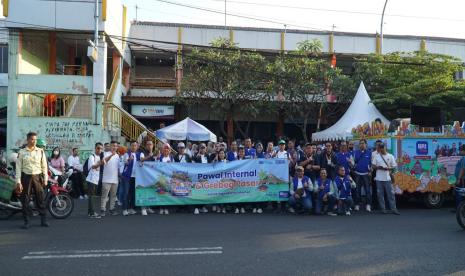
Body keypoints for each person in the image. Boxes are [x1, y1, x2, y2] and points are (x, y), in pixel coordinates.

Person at [15, 132, 49, 229]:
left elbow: (44, 166)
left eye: (35, 139)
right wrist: (18, 181)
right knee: (25, 199)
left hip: (37, 177)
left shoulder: (40, 151)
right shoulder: (22, 152)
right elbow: (18, 168)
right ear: (28, 140)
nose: (34, 141)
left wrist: (45, 179)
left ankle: (43, 220)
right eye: (32, 139)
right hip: (26, 177)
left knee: (40, 199)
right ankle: (26, 221)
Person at [371, 142, 400, 215]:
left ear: (385, 147)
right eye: (380, 148)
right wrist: (378, 167)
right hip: (378, 179)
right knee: (380, 194)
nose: (381, 149)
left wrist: (388, 168)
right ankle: (383, 209)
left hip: (387, 178)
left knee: (391, 194)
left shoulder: (390, 156)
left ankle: (394, 209)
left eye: (382, 147)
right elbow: (373, 166)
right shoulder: (376, 156)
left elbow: (394, 166)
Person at [121, 141, 144, 216]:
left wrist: (147, 157)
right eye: (132, 145)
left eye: (135, 145)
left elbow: (142, 161)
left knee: (133, 193)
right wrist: (129, 159)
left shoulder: (140, 154)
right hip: (127, 176)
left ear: (137, 147)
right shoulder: (126, 154)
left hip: (136, 177)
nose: (134, 147)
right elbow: (126, 163)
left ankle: (131, 208)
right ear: (130, 146)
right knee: (126, 193)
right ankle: (125, 209)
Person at [100, 141, 120, 216]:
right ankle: (102, 209)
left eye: (116, 146)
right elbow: (104, 162)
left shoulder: (117, 156)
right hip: (106, 179)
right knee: (104, 196)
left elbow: (118, 167)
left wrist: (119, 175)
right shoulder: (105, 154)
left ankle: (112, 209)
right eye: (113, 146)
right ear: (110, 146)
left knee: (113, 196)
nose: (115, 147)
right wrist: (112, 155)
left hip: (115, 179)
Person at [353, 139, 373, 212]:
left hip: (366, 174)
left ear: (366, 144)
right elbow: (353, 162)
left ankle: (368, 205)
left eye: (363, 143)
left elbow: (371, 163)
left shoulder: (370, 153)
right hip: (357, 174)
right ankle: (357, 205)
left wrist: (370, 170)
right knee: (357, 190)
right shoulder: (356, 152)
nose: (361, 145)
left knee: (367, 190)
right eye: (360, 143)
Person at [86, 142, 104, 219]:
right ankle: (92, 213)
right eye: (98, 148)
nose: (99, 150)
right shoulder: (92, 156)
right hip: (91, 179)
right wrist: (100, 163)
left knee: (92, 196)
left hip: (95, 179)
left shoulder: (99, 156)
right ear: (95, 148)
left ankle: (90, 212)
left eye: (101, 148)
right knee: (91, 197)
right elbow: (92, 166)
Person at [158, 143, 173, 215]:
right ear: (163, 150)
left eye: (168, 149)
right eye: (165, 149)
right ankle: (161, 208)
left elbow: (174, 168)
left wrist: (170, 165)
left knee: (167, 193)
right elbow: (157, 167)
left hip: (169, 178)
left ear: (170, 150)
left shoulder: (172, 158)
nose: (166, 150)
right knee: (161, 193)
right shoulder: (160, 158)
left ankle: (166, 208)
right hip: (162, 177)